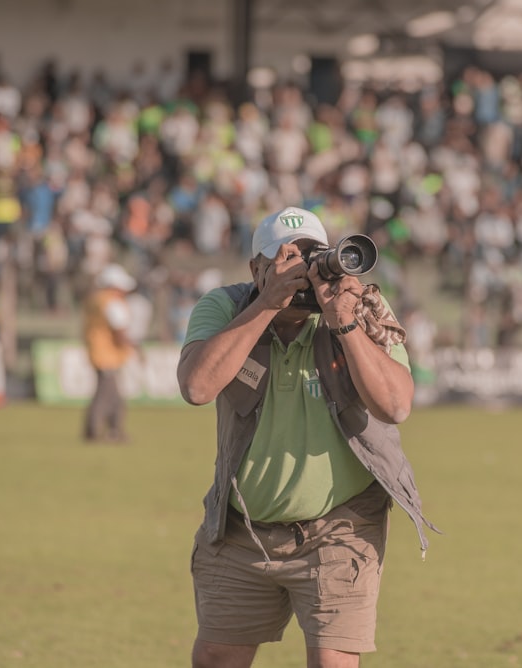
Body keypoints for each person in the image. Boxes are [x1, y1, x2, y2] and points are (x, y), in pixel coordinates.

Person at [176, 206, 438, 668]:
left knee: (333, 662)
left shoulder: (358, 304)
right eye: (286, 259)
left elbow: (395, 405)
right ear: (256, 268)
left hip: (340, 526)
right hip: (243, 528)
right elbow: (197, 387)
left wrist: (346, 323)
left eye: (311, 257)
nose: (301, 270)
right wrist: (266, 305)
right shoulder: (227, 307)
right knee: (217, 657)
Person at [82, 263, 137, 443]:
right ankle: (97, 431)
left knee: (110, 394)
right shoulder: (112, 302)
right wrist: (133, 347)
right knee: (107, 395)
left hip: (97, 351)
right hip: (108, 355)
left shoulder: (95, 299)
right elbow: (119, 330)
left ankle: (111, 430)